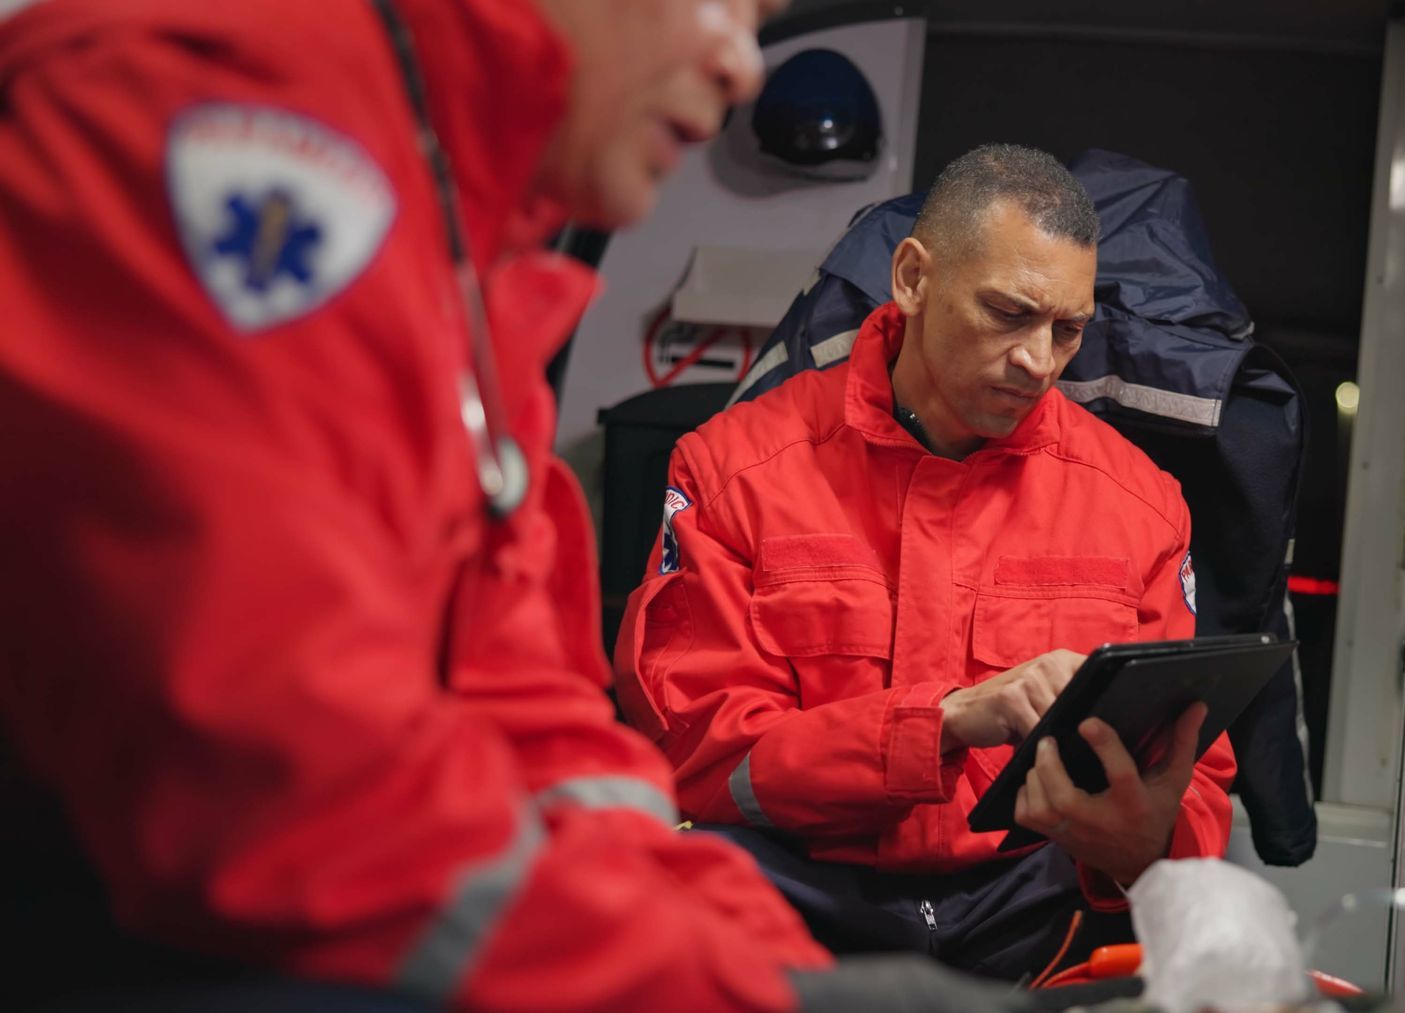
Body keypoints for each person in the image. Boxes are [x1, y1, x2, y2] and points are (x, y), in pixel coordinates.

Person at [0, 0, 945, 1009]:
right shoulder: (211, 120)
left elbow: (529, 713)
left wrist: (771, 969)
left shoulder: (455, 249)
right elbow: (272, 763)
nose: (741, 65)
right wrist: (725, 991)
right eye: (723, 2)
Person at [614, 143, 1236, 982]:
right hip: (795, 908)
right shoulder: (732, 472)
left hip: (1034, 917)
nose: (1040, 361)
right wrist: (938, 724)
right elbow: (703, 761)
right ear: (913, 278)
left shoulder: (1141, 504)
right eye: (1009, 313)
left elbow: (1196, 781)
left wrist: (1146, 843)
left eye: (1067, 329)